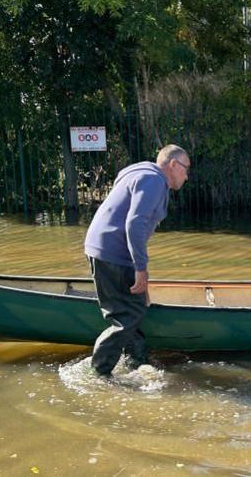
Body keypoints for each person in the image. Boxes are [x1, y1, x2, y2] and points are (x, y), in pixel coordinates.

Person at [83, 144, 191, 376]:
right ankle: (99, 372)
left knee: (135, 307)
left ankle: (136, 363)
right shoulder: (154, 180)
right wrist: (141, 270)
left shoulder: (139, 170)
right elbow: (135, 223)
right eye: (185, 169)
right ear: (173, 165)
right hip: (113, 253)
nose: (187, 176)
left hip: (102, 248)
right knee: (128, 316)